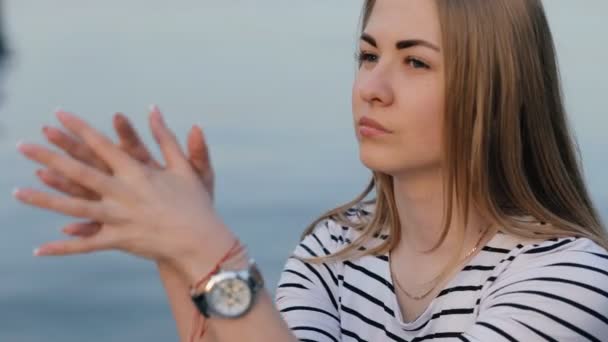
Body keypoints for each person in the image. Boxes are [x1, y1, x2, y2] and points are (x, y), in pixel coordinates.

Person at [14, 0, 608, 341]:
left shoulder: (569, 277)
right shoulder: (336, 249)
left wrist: (210, 253)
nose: (371, 89)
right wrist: (173, 251)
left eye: (415, 63)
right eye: (369, 55)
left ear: (495, 92)